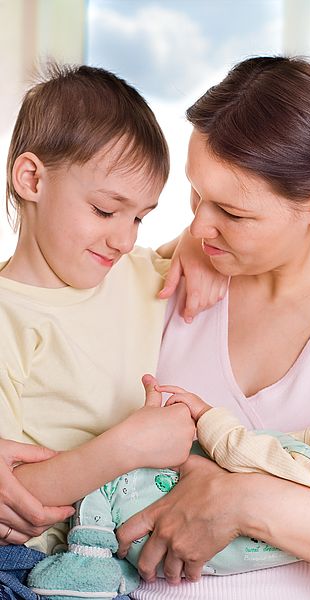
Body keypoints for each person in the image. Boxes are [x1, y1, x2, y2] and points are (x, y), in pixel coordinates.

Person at [114, 56, 310, 600]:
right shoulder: (174, 277)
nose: (200, 225)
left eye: (233, 212)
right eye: (196, 195)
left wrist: (244, 501)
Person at [0, 62, 223, 597]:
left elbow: (186, 246)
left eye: (140, 218)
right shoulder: (10, 316)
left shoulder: (132, 271)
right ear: (31, 179)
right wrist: (127, 447)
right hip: (22, 560)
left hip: (107, 553)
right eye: (105, 210)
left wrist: (198, 245)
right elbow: (14, 501)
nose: (124, 238)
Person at [25, 386, 310, 599]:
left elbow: (242, 450)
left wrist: (207, 415)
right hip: (153, 576)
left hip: (157, 538)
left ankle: (88, 558)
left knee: (107, 491)